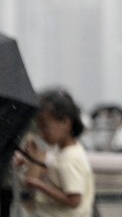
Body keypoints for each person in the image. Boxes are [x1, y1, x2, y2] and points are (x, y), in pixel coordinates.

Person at [19, 89, 96, 217]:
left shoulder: (69, 159)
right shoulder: (63, 151)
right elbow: (54, 177)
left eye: (45, 126)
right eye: (39, 127)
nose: (41, 133)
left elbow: (74, 200)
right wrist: (30, 160)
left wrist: (40, 185)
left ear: (65, 123)